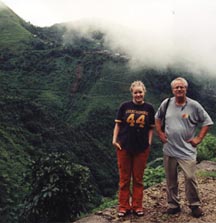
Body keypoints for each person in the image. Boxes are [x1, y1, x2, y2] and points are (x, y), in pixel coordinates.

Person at [155, 77, 214, 218]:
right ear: (173, 90)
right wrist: (160, 133)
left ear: (186, 89)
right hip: (169, 150)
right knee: (171, 179)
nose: (179, 89)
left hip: (187, 150)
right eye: (177, 87)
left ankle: (194, 205)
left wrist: (199, 138)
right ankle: (173, 205)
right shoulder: (167, 103)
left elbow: (207, 122)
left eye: (182, 87)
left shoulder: (194, 105)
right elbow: (157, 118)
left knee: (190, 177)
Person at [112, 80, 155, 217]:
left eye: (140, 92)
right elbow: (118, 125)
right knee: (124, 179)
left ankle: (137, 206)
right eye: (136, 92)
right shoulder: (124, 106)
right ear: (132, 93)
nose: (138, 94)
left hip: (141, 148)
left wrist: (148, 143)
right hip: (124, 146)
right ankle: (123, 207)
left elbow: (150, 128)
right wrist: (114, 140)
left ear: (144, 92)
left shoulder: (149, 108)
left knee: (138, 179)